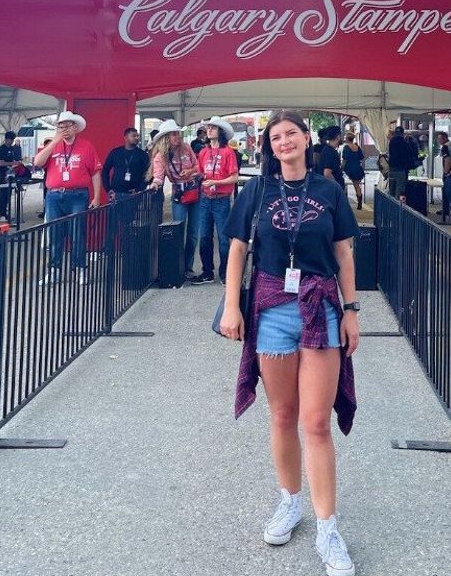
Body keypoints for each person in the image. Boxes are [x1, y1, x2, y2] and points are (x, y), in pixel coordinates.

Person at [218, 110, 360, 576]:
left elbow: (343, 252)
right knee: (282, 414)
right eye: (276, 137)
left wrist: (353, 311)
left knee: (316, 423)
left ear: (306, 140)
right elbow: (238, 248)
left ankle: (327, 529)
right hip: (271, 310)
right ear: (269, 145)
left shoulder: (329, 191)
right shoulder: (256, 190)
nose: (284, 142)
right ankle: (289, 502)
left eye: (291, 134)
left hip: (321, 308)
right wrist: (232, 307)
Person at [33, 110, 103, 285]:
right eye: (60, 126)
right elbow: (37, 162)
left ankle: (80, 268)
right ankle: (54, 270)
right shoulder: (52, 145)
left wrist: (96, 197)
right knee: (55, 233)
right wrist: (54, 142)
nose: (64, 129)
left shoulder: (86, 146)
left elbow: (95, 172)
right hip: (54, 195)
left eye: (67, 126)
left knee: (77, 233)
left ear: (75, 128)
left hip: (78, 195)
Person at [147, 120, 202, 278]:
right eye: (173, 134)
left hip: (193, 191)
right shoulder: (160, 157)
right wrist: (155, 184)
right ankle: (178, 267)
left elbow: (198, 166)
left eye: (178, 133)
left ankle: (188, 267)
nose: (177, 136)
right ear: (166, 137)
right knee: (179, 230)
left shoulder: (186, 147)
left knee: (193, 233)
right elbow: (158, 176)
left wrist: (190, 171)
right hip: (179, 193)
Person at [190, 117, 240, 285]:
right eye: (208, 127)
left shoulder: (228, 152)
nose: (209, 130)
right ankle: (207, 272)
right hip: (206, 198)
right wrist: (196, 175)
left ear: (221, 132)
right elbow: (202, 172)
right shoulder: (204, 152)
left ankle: (226, 273)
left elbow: (234, 177)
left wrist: (215, 182)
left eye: (213, 128)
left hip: (221, 200)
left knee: (223, 238)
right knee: (204, 237)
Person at [101, 127, 151, 197]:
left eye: (137, 136)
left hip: (134, 194)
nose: (136, 138)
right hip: (115, 193)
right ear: (126, 138)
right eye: (133, 136)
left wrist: (139, 189)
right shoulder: (116, 152)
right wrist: (108, 189)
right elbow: (105, 170)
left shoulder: (143, 155)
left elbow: (148, 173)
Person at [0, 131, 23, 221]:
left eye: (12, 140)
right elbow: (1, 163)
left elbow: (12, 160)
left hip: (10, 173)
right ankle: (1, 214)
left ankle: (6, 213)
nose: (11, 142)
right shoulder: (2, 149)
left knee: (8, 194)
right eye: (10, 140)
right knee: (3, 194)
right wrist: (13, 163)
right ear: (6, 139)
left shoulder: (11, 148)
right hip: (3, 174)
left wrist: (16, 163)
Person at [385, 122, 416, 200]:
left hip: (391, 168)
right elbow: (410, 154)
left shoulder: (391, 142)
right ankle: (397, 209)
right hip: (401, 169)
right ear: (402, 133)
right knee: (399, 191)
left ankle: (390, 207)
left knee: (391, 189)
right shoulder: (405, 142)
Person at [341, 133, 365, 210]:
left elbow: (344, 160)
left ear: (347, 138)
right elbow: (361, 157)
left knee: (343, 183)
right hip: (358, 168)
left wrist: (341, 168)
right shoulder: (357, 147)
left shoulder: (346, 148)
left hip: (349, 169)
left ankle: (344, 202)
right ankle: (359, 203)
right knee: (357, 185)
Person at [318, 126, 346, 191]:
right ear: (338, 137)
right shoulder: (331, 152)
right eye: (341, 135)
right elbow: (327, 174)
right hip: (332, 191)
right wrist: (337, 187)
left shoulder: (328, 149)